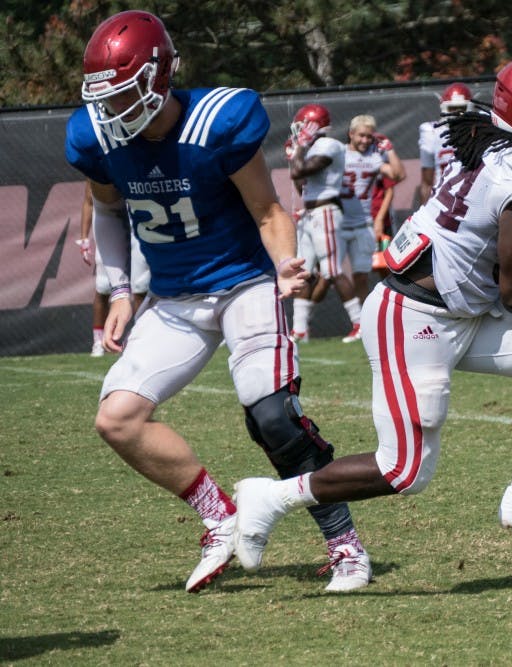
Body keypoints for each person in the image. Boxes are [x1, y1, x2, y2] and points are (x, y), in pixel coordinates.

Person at [231, 55, 512, 572]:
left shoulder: (491, 143)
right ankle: (269, 498)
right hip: (414, 318)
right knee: (404, 470)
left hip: (458, 308)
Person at [64, 10, 371, 593]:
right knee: (117, 419)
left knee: (272, 416)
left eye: (124, 95)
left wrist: (284, 265)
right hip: (174, 297)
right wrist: (122, 292)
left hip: (242, 284)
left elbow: (267, 210)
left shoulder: (216, 122)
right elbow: (106, 211)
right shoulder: (97, 136)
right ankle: (218, 514)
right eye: (104, 99)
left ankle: (345, 547)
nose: (113, 112)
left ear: (158, 77)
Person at [336, 114, 406, 342]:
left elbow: (398, 175)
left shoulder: (375, 156)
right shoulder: (338, 152)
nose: (366, 140)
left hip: (363, 222)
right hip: (337, 220)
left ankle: (365, 324)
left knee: (361, 275)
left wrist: (390, 149)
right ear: (351, 134)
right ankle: (357, 321)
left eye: (369, 136)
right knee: (331, 272)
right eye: (362, 135)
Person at [286, 103, 346, 344]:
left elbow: (298, 171)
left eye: (303, 127)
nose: (299, 132)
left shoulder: (328, 145)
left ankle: (360, 322)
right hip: (310, 213)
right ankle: (300, 330)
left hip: (326, 211)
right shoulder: (310, 147)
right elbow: (300, 185)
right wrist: (296, 153)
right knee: (303, 271)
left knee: (332, 271)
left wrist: (298, 150)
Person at [77, 181, 149, 356]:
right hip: (111, 225)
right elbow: (89, 200)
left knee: (140, 287)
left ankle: (143, 337)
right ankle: (98, 342)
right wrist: (84, 237)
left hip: (139, 228)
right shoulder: (102, 159)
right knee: (103, 287)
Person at [418, 82, 476, 205]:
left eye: (462, 108)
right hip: (443, 201)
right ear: (443, 107)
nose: (457, 113)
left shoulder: (480, 130)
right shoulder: (431, 132)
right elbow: (427, 182)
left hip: (474, 200)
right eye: (452, 108)